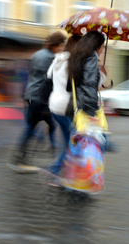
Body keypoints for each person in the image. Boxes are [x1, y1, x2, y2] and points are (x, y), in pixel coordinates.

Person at [7, 29, 68, 173]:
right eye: (61, 46)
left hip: (30, 95)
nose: (62, 49)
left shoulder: (37, 54)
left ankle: (50, 155)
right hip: (40, 98)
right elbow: (53, 78)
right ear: (55, 45)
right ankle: (18, 160)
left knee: (47, 126)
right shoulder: (51, 58)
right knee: (31, 128)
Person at [45, 35, 81, 175]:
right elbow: (77, 85)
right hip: (66, 106)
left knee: (70, 141)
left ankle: (69, 172)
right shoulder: (73, 61)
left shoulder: (58, 59)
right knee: (73, 143)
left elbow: (48, 76)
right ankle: (55, 171)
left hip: (54, 104)